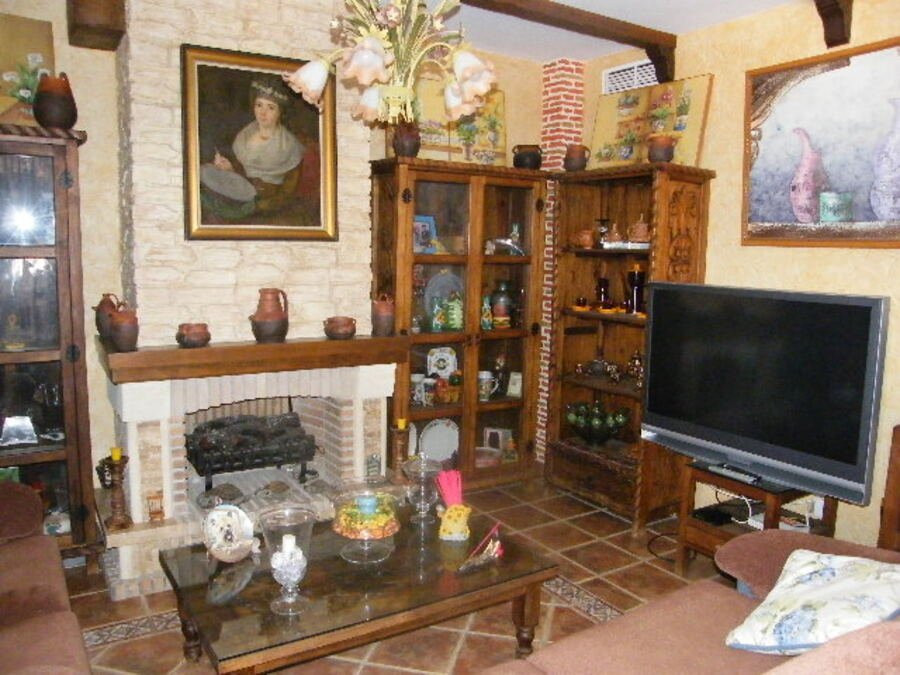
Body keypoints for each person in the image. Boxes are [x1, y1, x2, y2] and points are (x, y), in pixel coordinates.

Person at [210, 78, 305, 215]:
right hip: (240, 198)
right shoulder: (244, 136)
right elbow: (242, 176)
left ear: (280, 112)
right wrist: (229, 169)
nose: (262, 112)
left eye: (270, 107)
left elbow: (288, 191)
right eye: (259, 105)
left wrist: (260, 206)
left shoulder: (290, 145)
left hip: (270, 208)